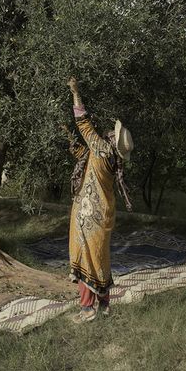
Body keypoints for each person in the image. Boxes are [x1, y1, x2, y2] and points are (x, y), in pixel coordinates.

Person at [66, 76, 133, 323]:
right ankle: (105, 305)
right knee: (100, 257)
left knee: (86, 257)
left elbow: (83, 123)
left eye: (113, 134)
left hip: (88, 214)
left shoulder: (102, 149)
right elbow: (84, 155)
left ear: (113, 142)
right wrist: (69, 140)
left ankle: (87, 309)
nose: (109, 133)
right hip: (104, 213)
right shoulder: (110, 158)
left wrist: (75, 92)